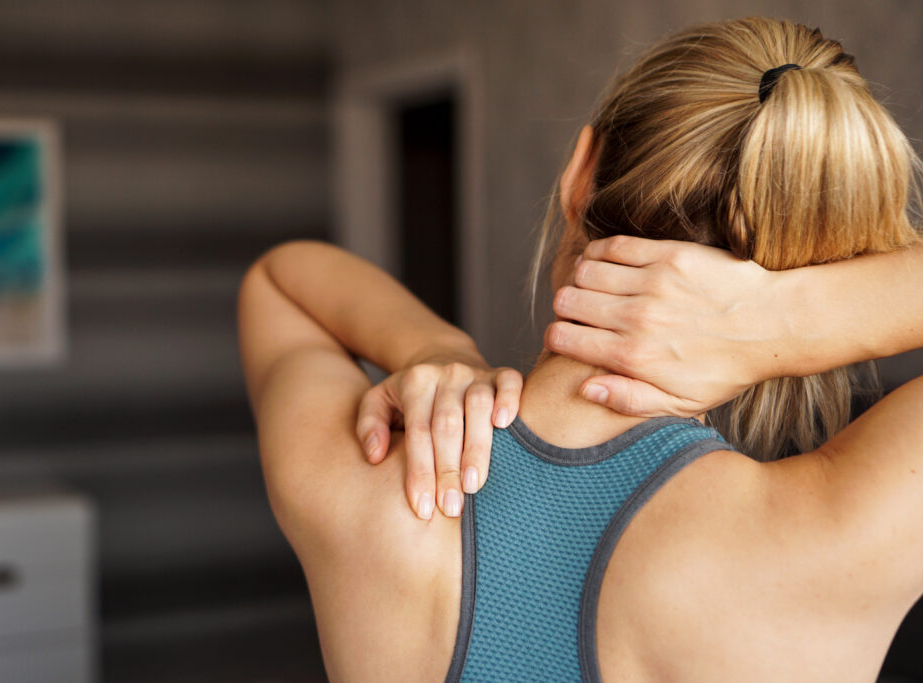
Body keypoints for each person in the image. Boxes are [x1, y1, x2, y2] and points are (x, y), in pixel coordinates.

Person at [238, 16, 923, 681]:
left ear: (579, 172)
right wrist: (792, 318)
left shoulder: (377, 484)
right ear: (816, 253)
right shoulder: (829, 537)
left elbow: (280, 279)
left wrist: (431, 346)